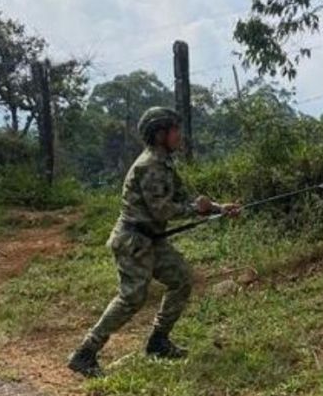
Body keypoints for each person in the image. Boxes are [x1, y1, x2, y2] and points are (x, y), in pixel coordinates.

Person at [67, 107, 240, 378]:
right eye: (175, 130)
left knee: (181, 278)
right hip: (133, 241)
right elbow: (163, 210)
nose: (179, 135)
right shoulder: (149, 165)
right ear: (160, 134)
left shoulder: (164, 162)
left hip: (151, 239)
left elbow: (184, 197)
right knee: (131, 299)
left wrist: (218, 208)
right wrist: (197, 208)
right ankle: (85, 353)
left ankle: (158, 342)